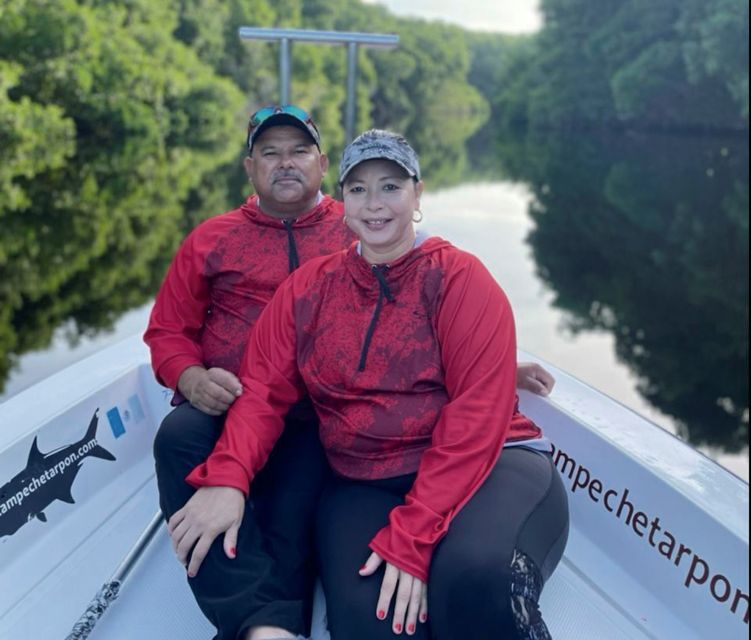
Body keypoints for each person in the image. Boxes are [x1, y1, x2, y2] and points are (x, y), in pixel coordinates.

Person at [173, 129, 569, 640]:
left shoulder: (458, 278)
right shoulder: (307, 290)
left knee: (470, 581)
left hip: (491, 465)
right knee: (373, 623)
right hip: (364, 480)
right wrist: (228, 477)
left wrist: (414, 534)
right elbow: (263, 394)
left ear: (417, 194)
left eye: (390, 187)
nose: (374, 203)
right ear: (342, 201)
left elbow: (477, 415)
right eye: (358, 189)